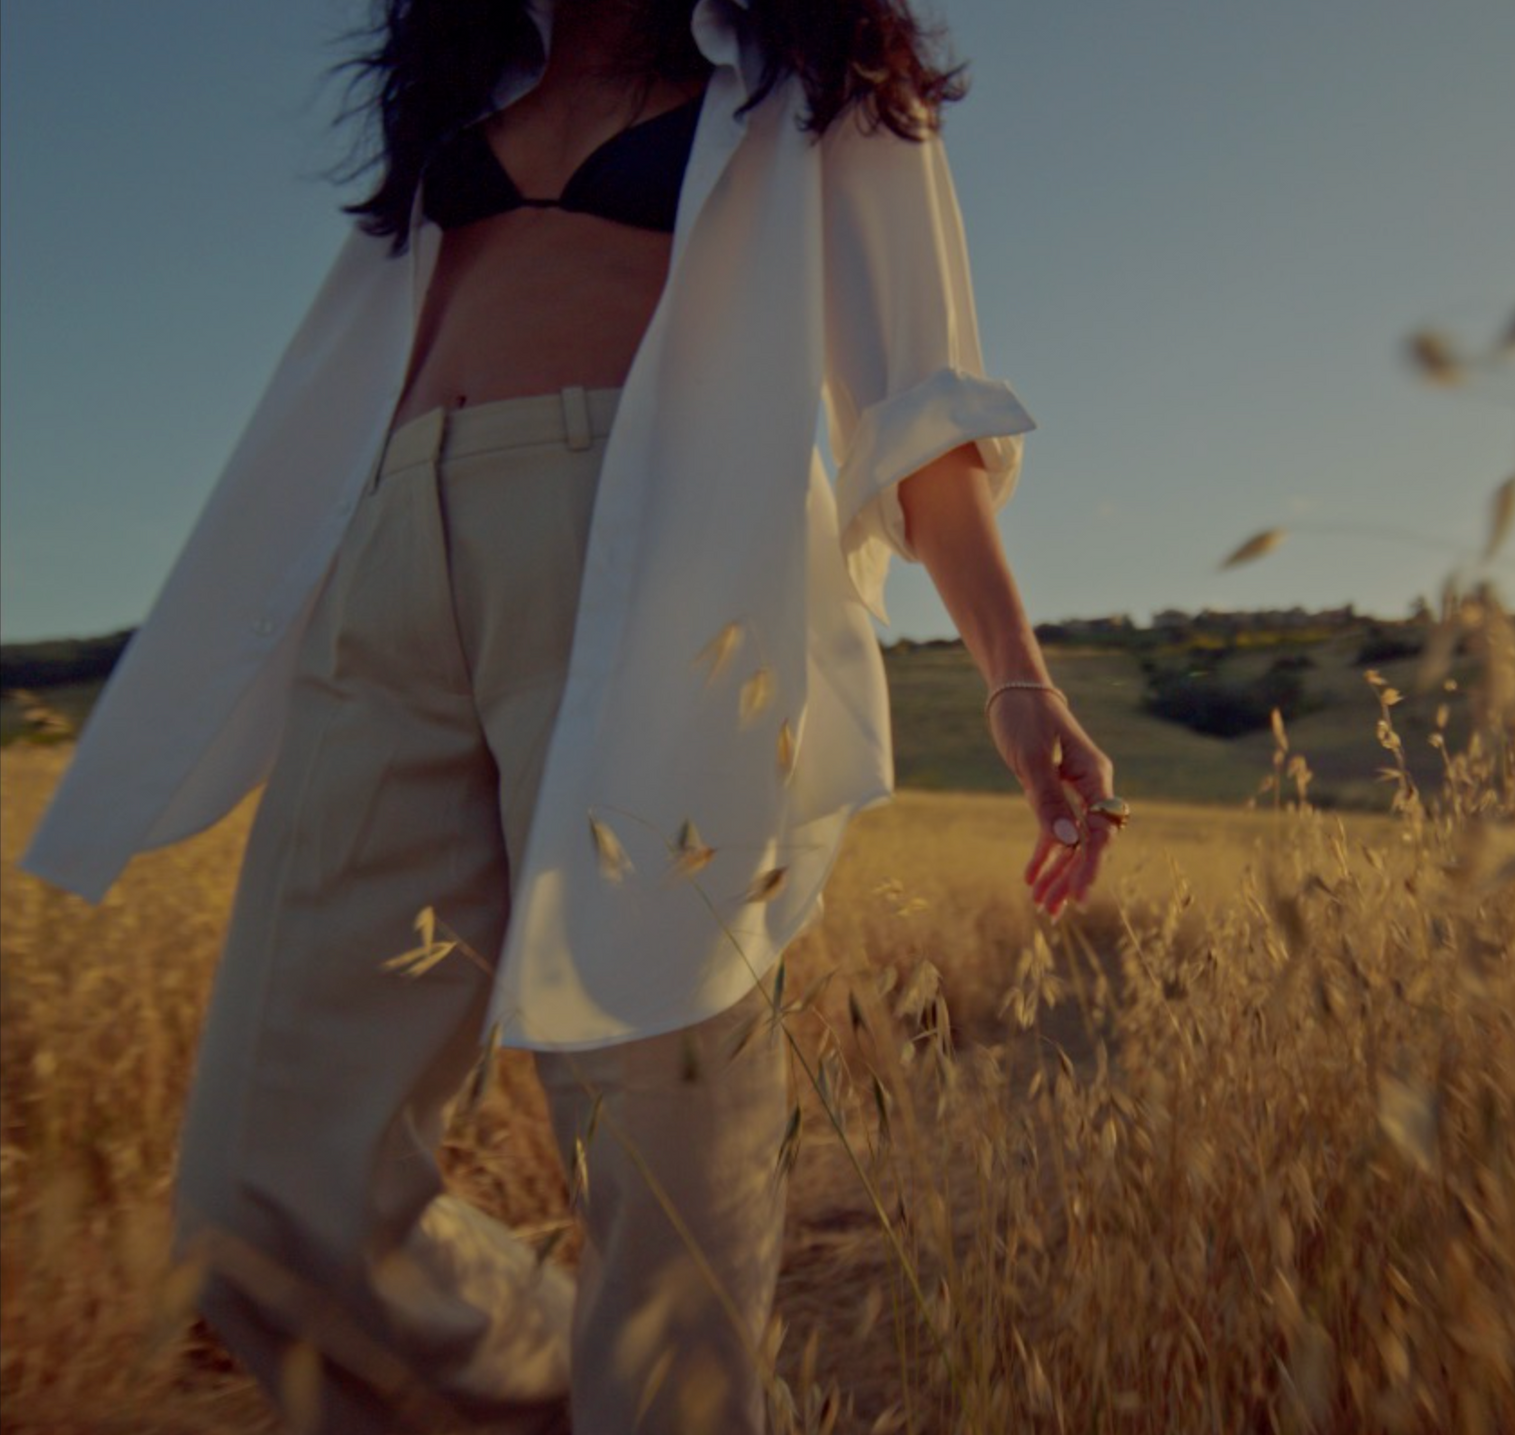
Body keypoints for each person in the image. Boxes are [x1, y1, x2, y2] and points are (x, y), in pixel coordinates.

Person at [20, 0, 1125, 1429]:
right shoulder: (465, 81)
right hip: (389, 552)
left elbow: (920, 412)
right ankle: (625, 1394)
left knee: (666, 1172)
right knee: (261, 1188)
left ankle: (665, 1396)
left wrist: (1016, 672)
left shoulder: (823, 82)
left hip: (666, 561)